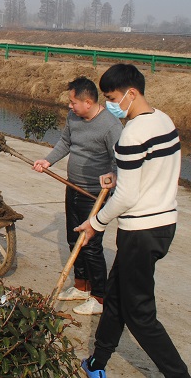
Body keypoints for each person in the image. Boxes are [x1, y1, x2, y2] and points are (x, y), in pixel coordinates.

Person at [77, 64, 188, 378]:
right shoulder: (163, 120)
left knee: (139, 314)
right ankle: (97, 364)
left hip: (140, 230)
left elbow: (125, 198)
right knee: (115, 298)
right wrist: (120, 174)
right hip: (164, 224)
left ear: (132, 93)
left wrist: (95, 223)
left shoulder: (132, 134)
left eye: (112, 98)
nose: (112, 105)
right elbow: (156, 169)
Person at [33, 76, 122, 316]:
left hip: (94, 195)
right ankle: (82, 286)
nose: (70, 107)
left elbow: (120, 162)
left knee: (90, 244)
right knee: (74, 239)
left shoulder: (111, 126)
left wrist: (112, 182)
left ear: (89, 101)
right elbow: (66, 142)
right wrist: (48, 161)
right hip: (72, 186)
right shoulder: (74, 117)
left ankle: (99, 297)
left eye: (73, 102)